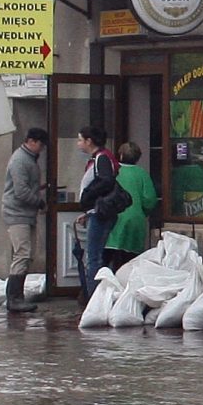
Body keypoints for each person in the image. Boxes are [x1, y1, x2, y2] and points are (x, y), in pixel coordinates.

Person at [0, 127, 49, 313]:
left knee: (26, 254)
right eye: (41, 145)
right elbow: (20, 191)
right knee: (23, 253)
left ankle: (15, 296)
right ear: (32, 141)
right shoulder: (20, 160)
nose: (42, 149)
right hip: (17, 213)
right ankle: (14, 298)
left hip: (24, 213)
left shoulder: (27, 159)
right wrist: (39, 202)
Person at [74, 126, 121, 300]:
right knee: (93, 255)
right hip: (95, 211)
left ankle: (94, 296)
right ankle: (93, 293)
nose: (79, 144)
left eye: (80, 140)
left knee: (94, 257)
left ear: (89, 141)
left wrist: (88, 195)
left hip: (100, 214)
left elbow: (106, 181)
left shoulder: (101, 159)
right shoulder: (98, 159)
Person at [103, 138, 161, 271]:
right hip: (136, 220)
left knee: (105, 260)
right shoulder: (142, 174)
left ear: (120, 155)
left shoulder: (113, 171)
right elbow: (150, 200)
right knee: (130, 264)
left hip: (114, 220)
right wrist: (142, 212)